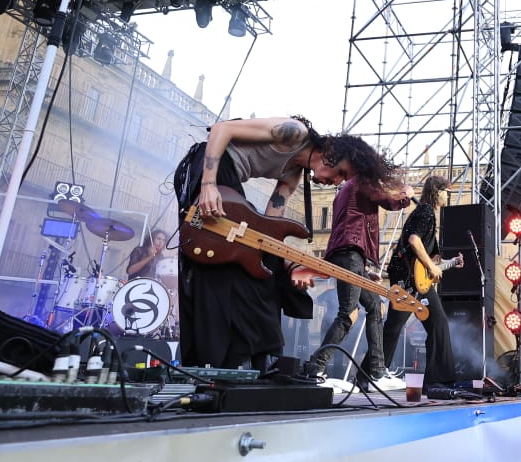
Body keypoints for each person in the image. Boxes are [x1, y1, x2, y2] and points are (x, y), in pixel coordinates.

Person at [172, 116, 396, 370]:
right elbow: (221, 130)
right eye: (341, 173)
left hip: (227, 183)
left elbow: (268, 227)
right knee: (220, 274)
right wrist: (208, 185)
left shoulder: (293, 175)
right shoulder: (294, 133)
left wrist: (291, 266)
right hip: (211, 169)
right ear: (332, 153)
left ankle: (254, 358)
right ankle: (212, 360)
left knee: (266, 272)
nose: (336, 182)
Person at [305, 171, 410, 384]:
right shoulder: (363, 179)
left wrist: (362, 269)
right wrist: (405, 195)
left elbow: (349, 226)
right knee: (347, 313)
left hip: (350, 255)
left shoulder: (346, 188)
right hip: (350, 253)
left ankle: (377, 371)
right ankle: (315, 366)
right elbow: (389, 201)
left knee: (374, 307)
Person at [379, 174, 466, 398]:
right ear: (438, 192)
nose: (449, 195)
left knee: (436, 324)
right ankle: (374, 372)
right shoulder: (426, 211)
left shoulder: (426, 213)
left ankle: (436, 381)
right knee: (396, 325)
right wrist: (432, 267)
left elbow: (430, 262)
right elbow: (414, 241)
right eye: (446, 191)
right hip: (407, 277)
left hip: (416, 279)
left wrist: (449, 264)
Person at [126, 227, 178, 336]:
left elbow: (162, 277)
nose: (161, 242)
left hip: (152, 292)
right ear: (152, 239)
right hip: (135, 290)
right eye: (158, 238)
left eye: (163, 240)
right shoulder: (139, 250)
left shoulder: (161, 257)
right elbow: (130, 271)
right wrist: (150, 257)